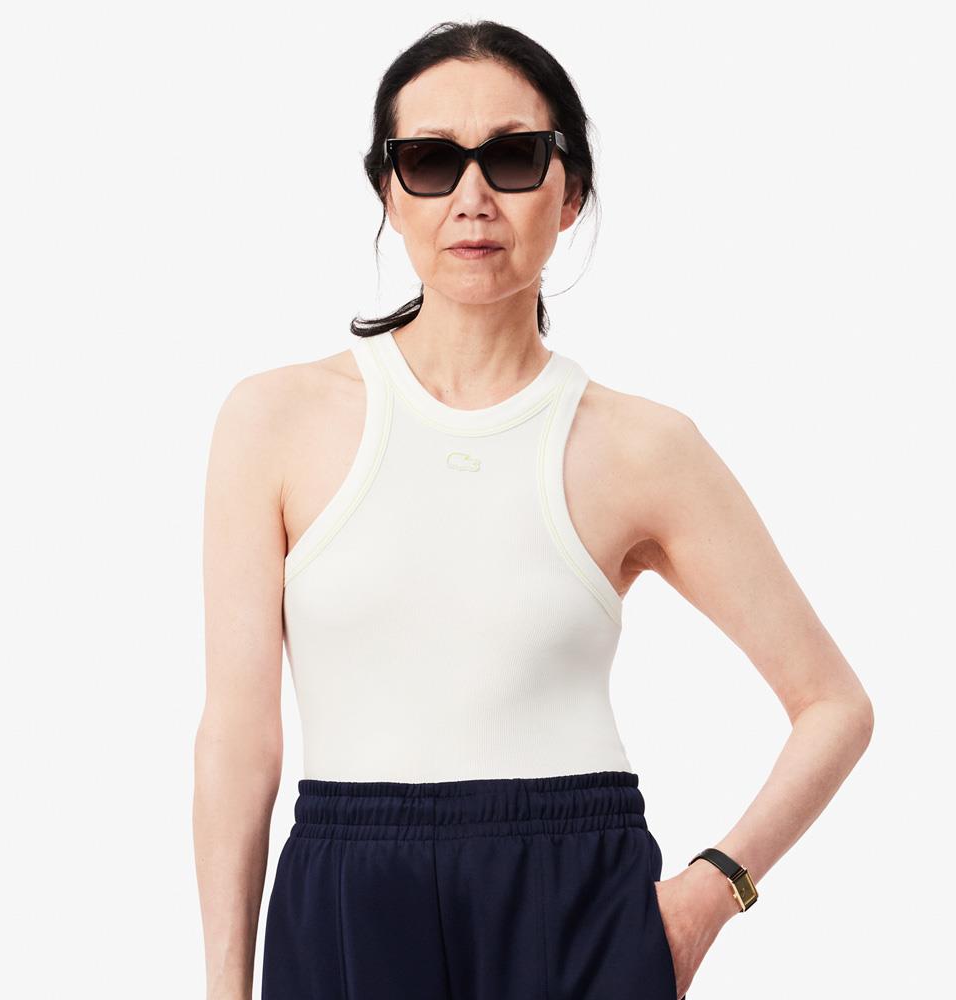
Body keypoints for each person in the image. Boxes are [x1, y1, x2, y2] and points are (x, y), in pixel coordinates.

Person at [193, 20, 874, 1000]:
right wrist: (223, 988)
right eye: (431, 161)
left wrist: (707, 895)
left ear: (570, 192)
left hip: (574, 892)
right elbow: (239, 738)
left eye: (513, 158)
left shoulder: (642, 447)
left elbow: (833, 705)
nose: (472, 198)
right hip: (349, 888)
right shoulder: (274, 420)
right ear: (388, 191)